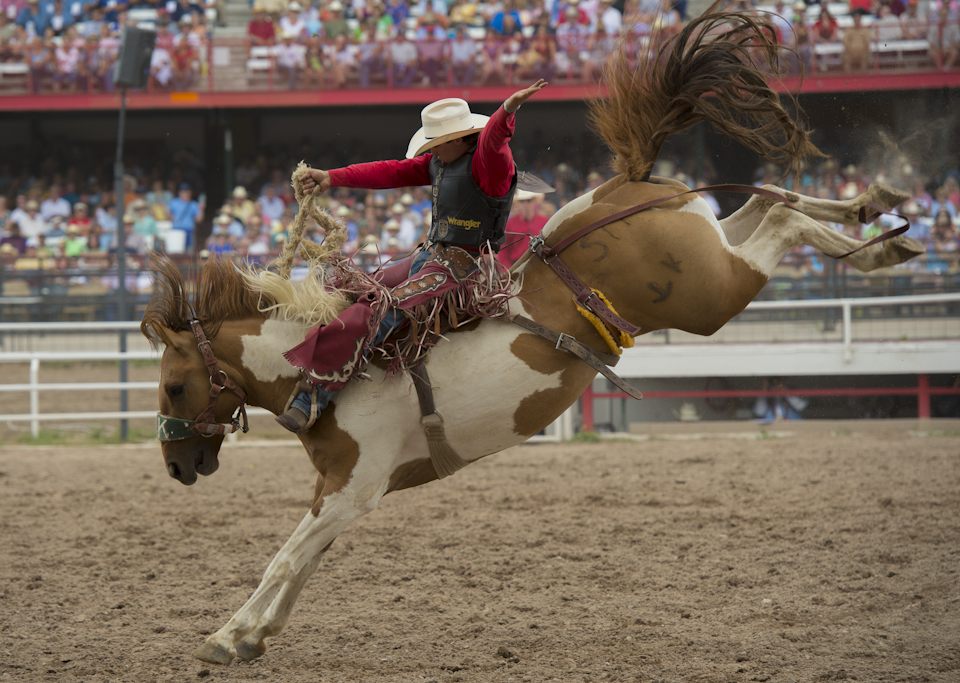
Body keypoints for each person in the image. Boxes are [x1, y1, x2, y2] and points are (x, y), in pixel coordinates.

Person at [276, 80, 548, 432]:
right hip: (430, 257)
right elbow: (389, 171)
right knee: (351, 290)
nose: (431, 151)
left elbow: (495, 141)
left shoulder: (489, 166)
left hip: (464, 271)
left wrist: (507, 112)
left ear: (457, 140)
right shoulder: (439, 164)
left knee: (381, 308)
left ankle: (314, 396)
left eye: (436, 143)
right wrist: (331, 177)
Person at [497, 189, 549, 268]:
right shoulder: (510, 224)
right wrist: (507, 272)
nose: (525, 204)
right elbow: (503, 251)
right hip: (516, 267)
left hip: (539, 267)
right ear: (518, 203)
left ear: (534, 202)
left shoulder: (544, 222)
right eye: (522, 201)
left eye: (528, 200)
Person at [167, 182, 204, 249]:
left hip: (189, 230)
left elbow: (199, 220)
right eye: (183, 192)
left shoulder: (193, 204)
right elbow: (169, 214)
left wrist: (201, 208)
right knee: (176, 251)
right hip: (177, 230)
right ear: (180, 193)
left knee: (189, 252)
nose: (185, 194)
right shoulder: (174, 203)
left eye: (187, 192)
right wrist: (175, 222)